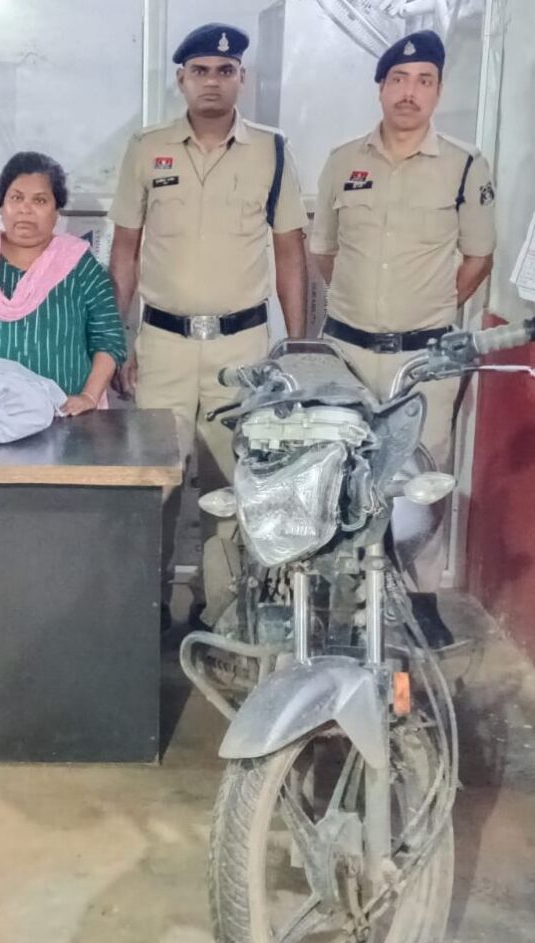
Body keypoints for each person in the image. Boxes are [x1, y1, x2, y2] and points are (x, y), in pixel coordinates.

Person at [109, 22, 309, 631]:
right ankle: (148, 613)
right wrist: (116, 338)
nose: (212, 82)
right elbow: (124, 249)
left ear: (241, 78)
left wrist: (296, 346)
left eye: (225, 71)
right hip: (163, 344)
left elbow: (290, 253)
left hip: (241, 348)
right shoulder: (148, 148)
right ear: (181, 79)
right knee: (157, 483)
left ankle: (221, 613)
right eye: (200, 71)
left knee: (233, 483)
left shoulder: (272, 151)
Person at [309, 29, 495, 595]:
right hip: (346, 355)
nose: (410, 92)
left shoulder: (465, 166)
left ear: (438, 91)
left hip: (424, 362)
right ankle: (344, 603)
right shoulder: (343, 160)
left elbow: (479, 257)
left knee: (420, 482)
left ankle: (420, 601)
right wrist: (363, 306)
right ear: (381, 88)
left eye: (424, 81)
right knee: (339, 477)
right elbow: (324, 252)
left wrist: (427, 310)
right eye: (399, 79)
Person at [0, 152, 126, 410]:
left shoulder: (80, 266)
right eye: (16, 198)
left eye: (40, 200)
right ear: (1, 205)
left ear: (57, 211)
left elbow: (108, 339)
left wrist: (89, 397)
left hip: (63, 416)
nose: (25, 209)